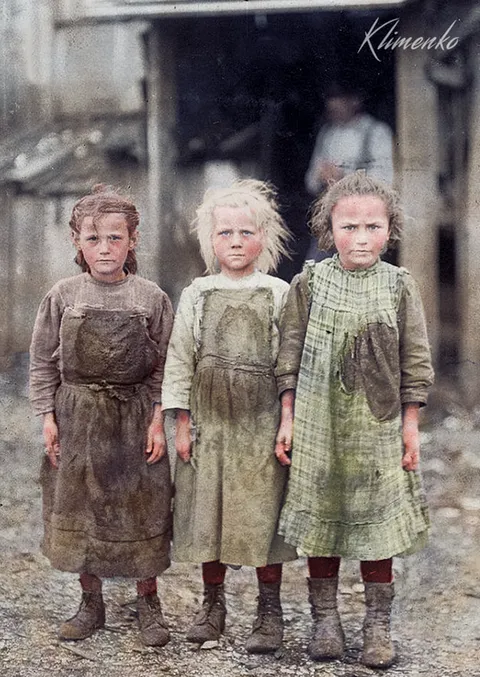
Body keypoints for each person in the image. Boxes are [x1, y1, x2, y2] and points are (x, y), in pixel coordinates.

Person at [274, 171, 434, 668]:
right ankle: (325, 619)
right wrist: (288, 416)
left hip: (377, 427)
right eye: (348, 227)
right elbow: (289, 353)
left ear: (390, 231)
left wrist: (409, 427)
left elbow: (416, 361)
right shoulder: (311, 282)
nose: (360, 238)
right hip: (320, 424)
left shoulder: (400, 286)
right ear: (328, 230)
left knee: (375, 526)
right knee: (323, 521)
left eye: (371, 227)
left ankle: (377, 624)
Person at [29, 186, 174, 647]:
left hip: (133, 418)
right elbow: (42, 362)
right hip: (78, 417)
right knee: (81, 505)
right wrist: (47, 418)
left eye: (115, 238)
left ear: (132, 240)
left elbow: (165, 367)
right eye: (93, 239)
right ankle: (90, 603)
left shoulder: (150, 297)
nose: (105, 249)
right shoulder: (62, 294)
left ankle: (148, 603)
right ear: (77, 242)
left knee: (141, 506)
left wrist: (157, 421)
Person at [162, 179, 296, 654]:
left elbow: (289, 363)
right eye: (225, 233)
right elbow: (180, 359)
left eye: (246, 232)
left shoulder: (279, 293)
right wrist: (181, 423)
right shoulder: (197, 293)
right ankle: (212, 605)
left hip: (260, 426)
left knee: (263, 516)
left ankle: (269, 611)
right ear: (210, 240)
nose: (235, 241)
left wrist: (287, 417)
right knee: (209, 516)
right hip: (210, 426)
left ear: (265, 236)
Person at [305, 83, 394, 197]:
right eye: (330, 101)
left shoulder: (377, 131)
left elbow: (385, 178)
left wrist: (344, 177)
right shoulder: (326, 133)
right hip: (332, 205)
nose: (333, 107)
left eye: (340, 99)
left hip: (365, 205)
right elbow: (310, 181)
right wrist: (322, 176)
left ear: (355, 100)